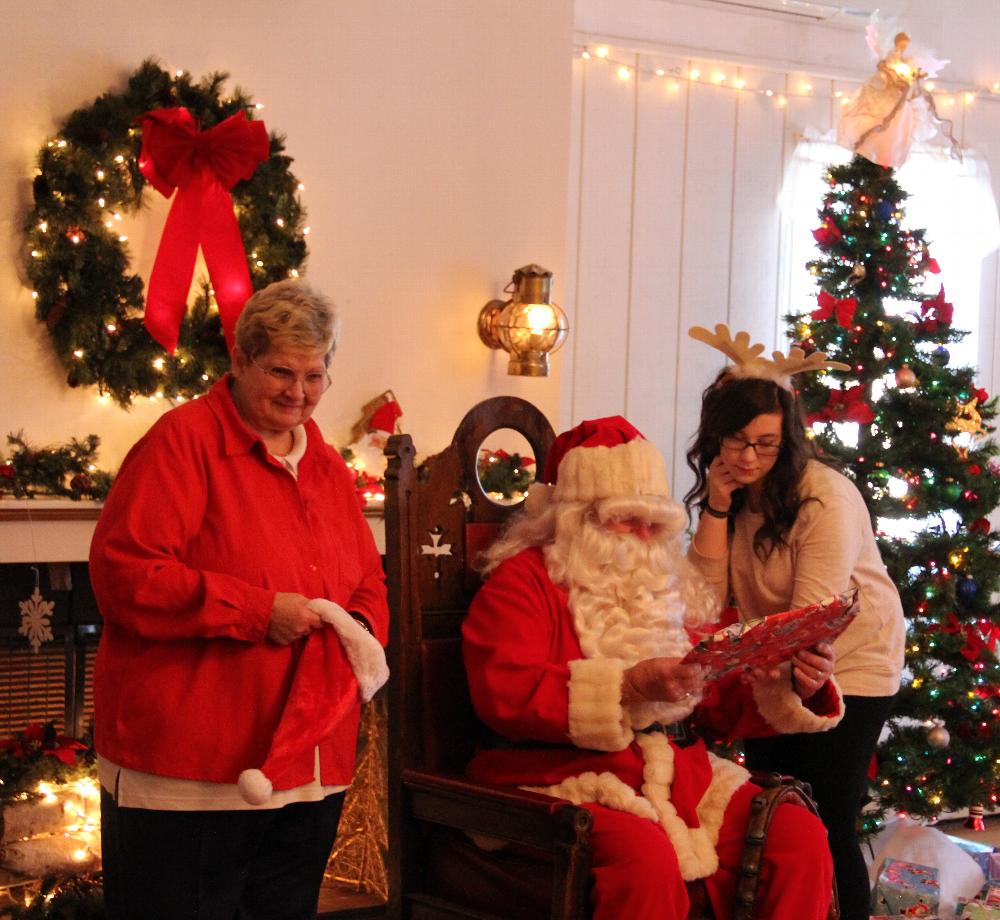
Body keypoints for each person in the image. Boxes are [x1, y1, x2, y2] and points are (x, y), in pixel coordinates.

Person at [89, 279, 389, 920]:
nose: (298, 392)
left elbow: (367, 582)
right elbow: (125, 574)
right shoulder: (181, 442)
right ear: (240, 360)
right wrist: (256, 613)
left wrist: (355, 628)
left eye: (315, 375)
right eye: (281, 370)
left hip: (310, 764)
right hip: (192, 770)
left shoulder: (329, 469)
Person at [463, 416, 844, 920]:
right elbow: (505, 691)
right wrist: (625, 686)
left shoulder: (668, 588)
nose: (643, 536)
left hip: (684, 781)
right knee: (641, 856)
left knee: (797, 834)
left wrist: (788, 679)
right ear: (578, 518)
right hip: (562, 778)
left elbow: (713, 702)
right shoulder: (523, 582)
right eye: (627, 519)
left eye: (655, 523)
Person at [684, 325, 905, 920]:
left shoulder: (824, 497)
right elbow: (702, 603)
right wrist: (718, 502)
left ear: (789, 439)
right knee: (770, 812)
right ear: (715, 437)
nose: (750, 457)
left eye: (767, 444)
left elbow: (814, 618)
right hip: (773, 664)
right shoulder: (733, 491)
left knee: (827, 815)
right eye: (736, 441)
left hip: (847, 665)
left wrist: (764, 662)